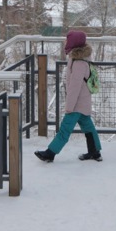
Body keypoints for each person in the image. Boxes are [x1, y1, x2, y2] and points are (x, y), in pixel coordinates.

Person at [34, 30, 102, 163]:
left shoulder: (79, 63)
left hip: (76, 104)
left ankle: (50, 153)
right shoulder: (77, 59)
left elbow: (74, 88)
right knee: (88, 128)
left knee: (65, 130)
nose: (66, 42)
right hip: (83, 102)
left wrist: (69, 107)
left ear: (74, 43)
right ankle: (95, 152)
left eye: (68, 40)